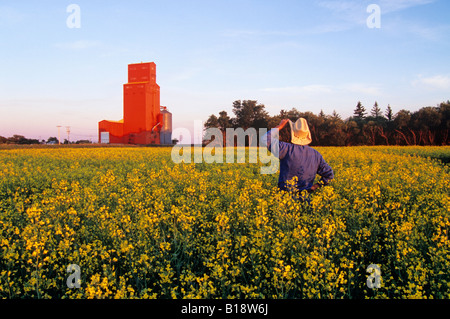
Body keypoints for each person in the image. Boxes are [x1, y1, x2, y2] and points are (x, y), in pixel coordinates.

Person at [261, 118, 334, 199]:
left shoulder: (286, 149)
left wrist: (280, 126)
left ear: (293, 133)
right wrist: (314, 187)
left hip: (285, 200)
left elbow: (265, 139)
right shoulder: (316, 154)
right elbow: (329, 175)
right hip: (306, 200)